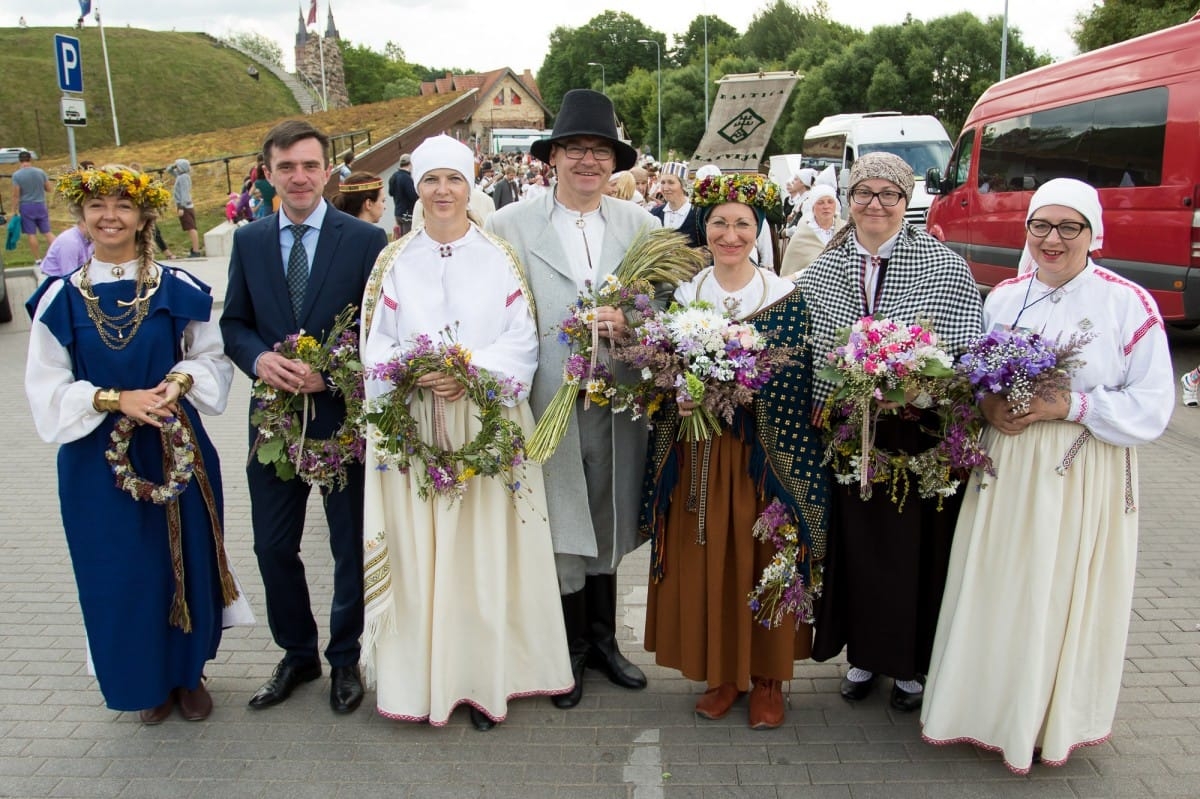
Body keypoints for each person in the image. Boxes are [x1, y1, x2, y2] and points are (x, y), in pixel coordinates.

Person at [920, 179, 1174, 773]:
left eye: (1069, 227)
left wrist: (1073, 407)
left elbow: (1155, 404)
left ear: (1093, 233)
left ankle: (1042, 720)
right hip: (1006, 465)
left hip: (1080, 472)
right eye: (1041, 226)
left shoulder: (1127, 302)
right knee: (1000, 586)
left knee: (1055, 593)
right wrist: (985, 407)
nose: (1052, 240)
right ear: (1025, 230)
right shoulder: (1005, 296)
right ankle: (986, 709)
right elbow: (976, 375)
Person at [359, 134, 573, 731]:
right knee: (424, 553)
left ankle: (485, 680)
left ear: (470, 184)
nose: (443, 191)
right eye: (432, 180)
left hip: (485, 424)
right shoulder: (392, 261)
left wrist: (466, 371)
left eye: (454, 179)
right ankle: (427, 680)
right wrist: (415, 374)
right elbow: (373, 343)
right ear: (416, 188)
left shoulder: (498, 255)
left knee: (483, 553)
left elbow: (522, 340)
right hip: (415, 426)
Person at [25, 164, 243, 723]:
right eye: (97, 206)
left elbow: (210, 354)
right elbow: (46, 383)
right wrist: (114, 400)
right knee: (121, 568)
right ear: (82, 217)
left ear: (144, 215)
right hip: (95, 459)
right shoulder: (60, 300)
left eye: (122, 205)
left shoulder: (178, 287)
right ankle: (142, 680)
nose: (110, 216)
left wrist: (176, 383)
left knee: (183, 560)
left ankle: (187, 674)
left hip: (174, 443)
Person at [486, 89, 657, 709]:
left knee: (610, 510)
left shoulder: (641, 226)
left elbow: (661, 306)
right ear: (552, 157)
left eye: (600, 151)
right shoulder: (511, 225)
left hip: (617, 399)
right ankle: (569, 649)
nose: (589, 161)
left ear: (614, 163)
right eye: (576, 149)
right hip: (547, 398)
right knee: (561, 516)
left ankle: (606, 641)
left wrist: (632, 322)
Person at [641, 174, 830, 729]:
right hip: (699, 452)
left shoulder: (786, 296)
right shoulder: (685, 294)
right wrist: (685, 387)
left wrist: (744, 388)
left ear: (759, 231)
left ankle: (769, 679)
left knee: (766, 554)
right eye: (720, 222)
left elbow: (798, 377)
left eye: (742, 224)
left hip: (764, 459)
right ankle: (723, 674)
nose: (730, 234)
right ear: (706, 227)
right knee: (709, 557)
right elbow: (661, 371)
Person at [801, 153, 983, 713]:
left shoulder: (945, 266)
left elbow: (965, 347)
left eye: (889, 194)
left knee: (913, 553)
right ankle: (862, 656)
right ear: (849, 199)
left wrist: (915, 381)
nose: (875, 204)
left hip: (916, 439)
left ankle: (909, 666)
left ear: (908, 202)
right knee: (857, 549)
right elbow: (808, 348)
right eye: (864, 193)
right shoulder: (822, 271)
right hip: (852, 437)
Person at [221, 120, 387, 715]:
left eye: (310, 166)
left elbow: (382, 331)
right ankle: (297, 653)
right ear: (267, 174)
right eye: (286, 166)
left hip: (342, 416)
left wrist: (337, 370)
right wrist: (259, 358)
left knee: (349, 544)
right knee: (271, 545)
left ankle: (346, 658)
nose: (299, 177)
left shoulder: (366, 242)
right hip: (273, 421)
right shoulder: (250, 242)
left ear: (326, 172)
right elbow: (233, 323)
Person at [778, 185, 844, 280]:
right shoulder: (802, 234)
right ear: (813, 207)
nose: (826, 206)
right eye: (820, 203)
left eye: (830, 202)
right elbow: (789, 272)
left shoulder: (845, 230)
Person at [11, 150, 55, 263]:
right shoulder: (40, 172)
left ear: (19, 161)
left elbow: (16, 195)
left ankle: (37, 259)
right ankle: (56, 255)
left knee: (31, 234)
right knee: (47, 232)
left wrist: (13, 210)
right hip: (40, 204)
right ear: (30, 160)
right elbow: (49, 189)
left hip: (26, 206)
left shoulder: (17, 175)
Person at [650, 162, 700, 246]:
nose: (665, 188)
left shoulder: (697, 214)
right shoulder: (655, 213)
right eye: (662, 183)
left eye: (671, 183)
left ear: (683, 185)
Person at [168, 158, 202, 257]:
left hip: (185, 206)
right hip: (183, 205)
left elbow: (184, 193)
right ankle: (195, 249)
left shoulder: (183, 178)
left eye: (177, 166)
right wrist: (173, 166)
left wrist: (181, 207)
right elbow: (169, 170)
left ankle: (196, 250)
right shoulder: (181, 176)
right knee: (189, 228)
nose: (176, 168)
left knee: (191, 228)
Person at [387, 153, 418, 239]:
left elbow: (390, 193)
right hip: (407, 214)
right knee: (407, 239)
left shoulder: (394, 176)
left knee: (400, 238)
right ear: (410, 164)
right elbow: (413, 197)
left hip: (398, 212)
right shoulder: (407, 178)